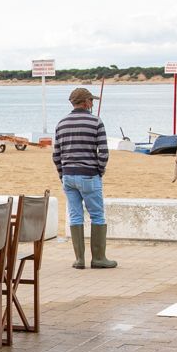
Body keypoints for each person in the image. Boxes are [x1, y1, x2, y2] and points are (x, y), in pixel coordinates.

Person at [52, 86, 116, 269]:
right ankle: (98, 258)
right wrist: (99, 170)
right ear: (86, 102)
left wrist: (62, 174)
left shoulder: (61, 123)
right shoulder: (96, 122)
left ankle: (79, 259)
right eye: (92, 101)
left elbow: (56, 155)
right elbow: (103, 152)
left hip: (68, 176)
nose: (93, 104)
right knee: (97, 215)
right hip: (89, 175)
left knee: (75, 215)